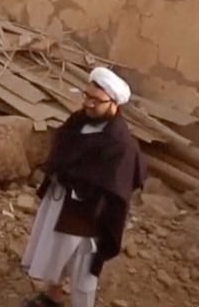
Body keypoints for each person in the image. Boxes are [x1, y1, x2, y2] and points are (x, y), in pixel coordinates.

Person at [20, 67, 145, 307]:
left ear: (114, 103)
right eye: (86, 96)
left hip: (89, 215)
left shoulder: (120, 144)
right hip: (61, 201)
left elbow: (112, 186)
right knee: (55, 251)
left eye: (95, 100)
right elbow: (61, 149)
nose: (88, 103)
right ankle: (52, 296)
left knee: (83, 268)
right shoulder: (78, 121)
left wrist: (71, 180)